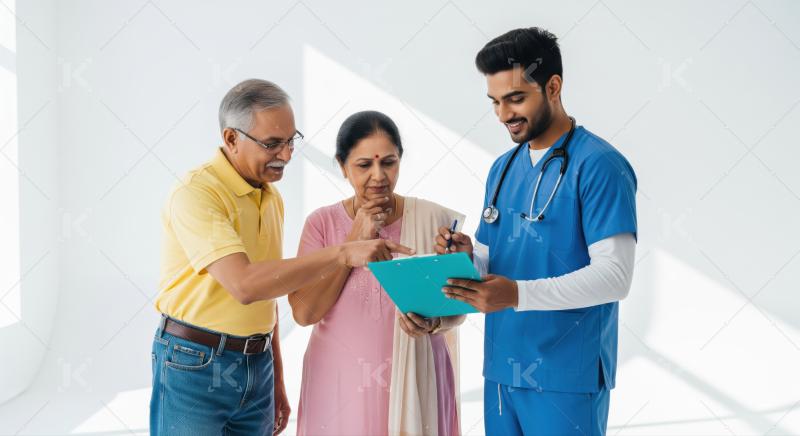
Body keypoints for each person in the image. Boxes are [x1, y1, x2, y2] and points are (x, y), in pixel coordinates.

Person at [150, 80, 412, 435]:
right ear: (231, 139)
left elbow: (269, 295)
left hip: (257, 364)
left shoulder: (271, 198)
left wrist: (275, 379)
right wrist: (344, 252)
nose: (287, 155)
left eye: (291, 141)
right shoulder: (196, 194)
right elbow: (245, 285)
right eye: (272, 144)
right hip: (195, 363)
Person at [435, 28, 638, 435]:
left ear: (553, 86)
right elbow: (494, 261)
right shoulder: (503, 168)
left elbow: (616, 277)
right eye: (495, 102)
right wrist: (464, 256)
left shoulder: (599, 166)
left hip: (567, 376)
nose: (503, 114)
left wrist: (517, 294)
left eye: (515, 98)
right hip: (502, 368)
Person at [290, 110, 464, 435]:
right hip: (338, 379)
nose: (378, 175)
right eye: (364, 165)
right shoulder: (321, 224)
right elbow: (303, 312)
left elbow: (456, 309)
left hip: (417, 375)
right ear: (342, 166)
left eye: (389, 162)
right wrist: (353, 241)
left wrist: (434, 322)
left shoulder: (432, 219)